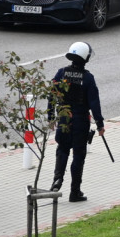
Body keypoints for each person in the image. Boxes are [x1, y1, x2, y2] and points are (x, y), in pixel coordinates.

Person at [48, 42, 104, 202]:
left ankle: (57, 180)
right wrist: (100, 124)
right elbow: (94, 103)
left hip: (64, 118)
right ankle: (75, 191)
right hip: (80, 121)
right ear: (85, 58)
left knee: (63, 149)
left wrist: (51, 117)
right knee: (78, 155)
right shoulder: (88, 78)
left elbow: (52, 95)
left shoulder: (61, 73)